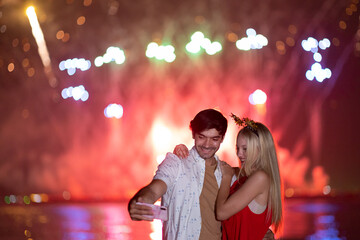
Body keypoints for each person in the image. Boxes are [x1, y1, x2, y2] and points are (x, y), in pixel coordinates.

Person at [128, 108, 236, 240]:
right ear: (193, 134)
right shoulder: (176, 162)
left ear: (222, 138)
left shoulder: (227, 174)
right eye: (202, 137)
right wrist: (140, 202)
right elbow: (155, 188)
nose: (207, 145)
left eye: (214, 139)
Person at [173, 114, 282, 240]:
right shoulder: (242, 176)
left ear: (260, 149)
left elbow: (221, 213)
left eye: (245, 149)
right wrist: (183, 151)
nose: (239, 154)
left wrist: (226, 178)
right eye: (238, 148)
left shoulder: (260, 178)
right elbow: (208, 162)